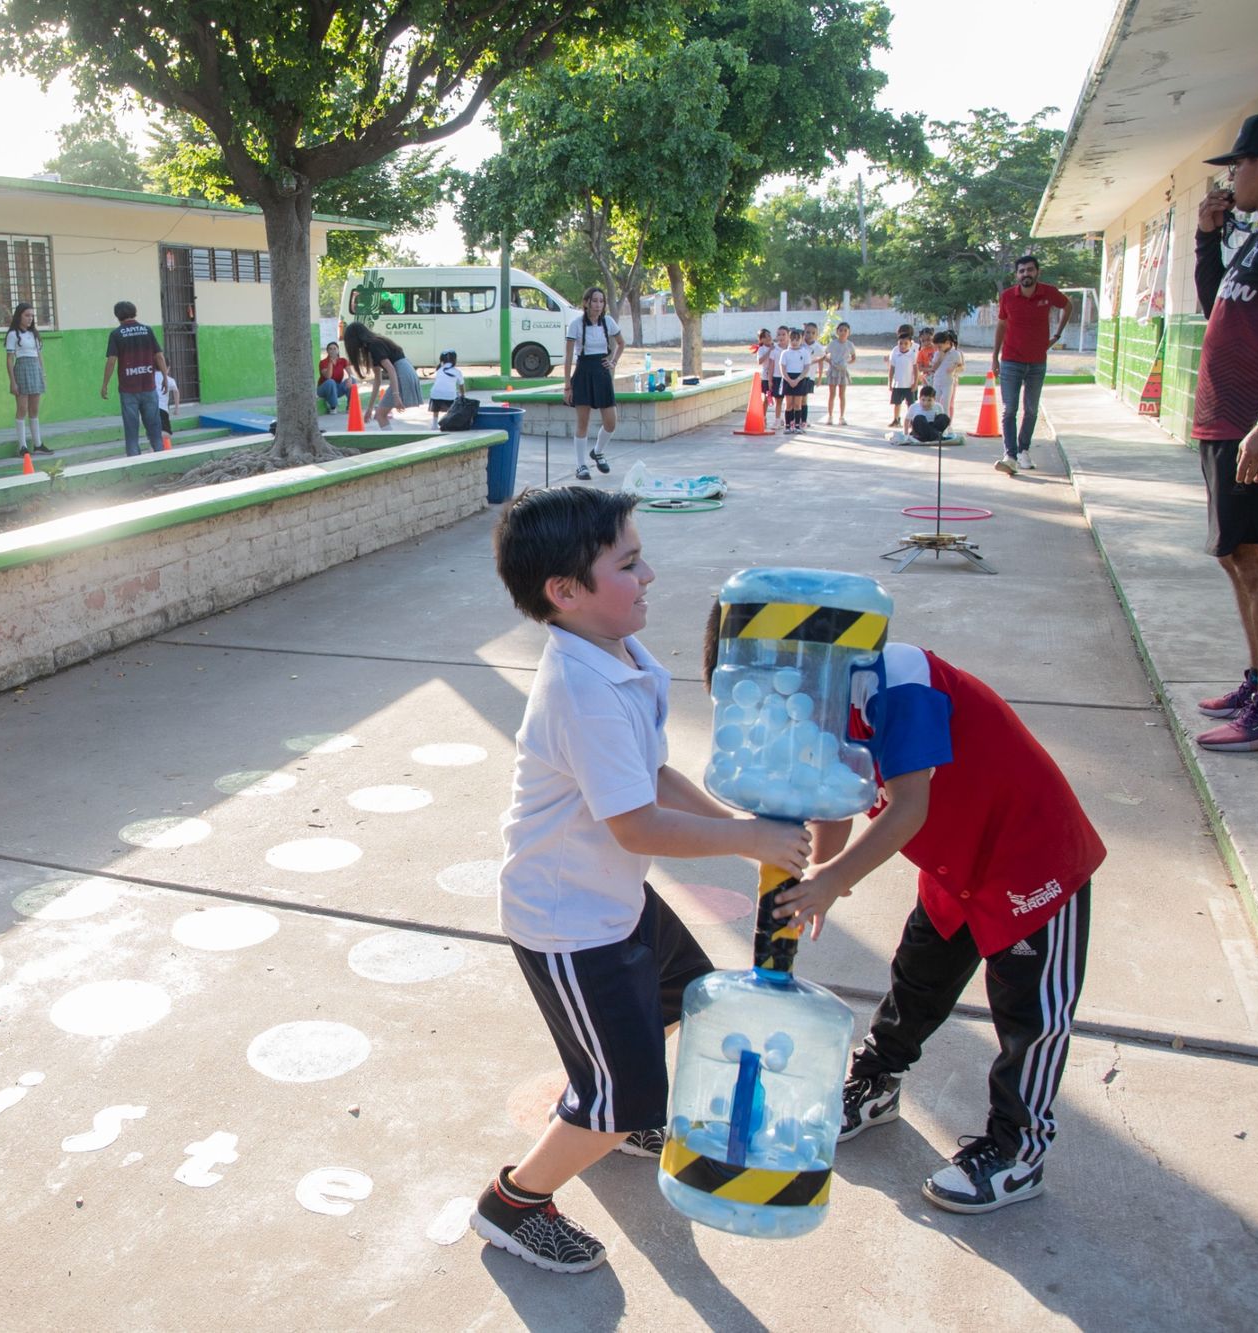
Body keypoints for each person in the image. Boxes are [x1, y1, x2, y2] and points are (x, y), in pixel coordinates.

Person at [472, 487, 812, 1274]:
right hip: (569, 923)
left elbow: (651, 776)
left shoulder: (619, 656)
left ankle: (616, 1106)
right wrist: (748, 836)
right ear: (564, 592)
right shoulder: (582, 691)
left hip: (614, 899)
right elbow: (637, 825)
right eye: (628, 563)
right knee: (623, 1096)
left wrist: (740, 834)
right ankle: (514, 1203)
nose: (650, 573)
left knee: (682, 988)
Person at [718, 619, 1103, 1215]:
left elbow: (908, 808)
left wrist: (835, 879)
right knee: (917, 979)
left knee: (1030, 1015)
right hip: (955, 868)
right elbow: (838, 797)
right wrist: (818, 877)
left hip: (1030, 861)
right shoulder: (813, 699)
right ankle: (878, 1083)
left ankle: (1018, 1153)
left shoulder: (899, 681)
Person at [1188, 108, 1258, 752]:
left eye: (1238, 162)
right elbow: (1219, 310)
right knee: (1237, 556)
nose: (1231, 175)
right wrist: (1208, 238)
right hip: (1228, 422)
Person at [991, 255, 1071, 475]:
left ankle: (1024, 450)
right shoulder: (1007, 296)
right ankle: (1010, 455)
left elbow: (1067, 306)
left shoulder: (1048, 292)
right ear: (1016, 275)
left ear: (1037, 272)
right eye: (1022, 271)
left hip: (1037, 362)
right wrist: (994, 356)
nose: (1026, 274)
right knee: (1009, 409)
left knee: (1032, 409)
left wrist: (1056, 335)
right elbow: (1001, 325)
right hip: (1010, 361)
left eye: (1030, 270)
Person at [563, 286, 622, 478]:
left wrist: (613, 361)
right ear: (586, 302)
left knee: (611, 422)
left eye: (601, 301)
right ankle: (581, 465)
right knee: (583, 422)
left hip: (602, 373)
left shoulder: (608, 322)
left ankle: (597, 451)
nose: (598, 305)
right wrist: (567, 385)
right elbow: (569, 355)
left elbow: (621, 342)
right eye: (594, 300)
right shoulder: (576, 324)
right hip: (583, 372)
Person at [101, 300, 168, 455]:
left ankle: (133, 463)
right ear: (135, 312)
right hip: (149, 387)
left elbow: (111, 361)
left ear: (117, 315)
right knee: (154, 429)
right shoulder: (147, 330)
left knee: (131, 431)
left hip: (128, 389)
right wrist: (164, 376)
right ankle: (161, 458)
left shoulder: (116, 334)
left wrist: (105, 384)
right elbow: (159, 356)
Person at [343, 321, 421, 430]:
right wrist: (370, 408)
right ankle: (393, 440)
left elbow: (391, 369)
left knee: (380, 415)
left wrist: (396, 395)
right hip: (406, 370)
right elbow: (377, 380)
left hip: (402, 372)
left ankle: (393, 443)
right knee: (380, 414)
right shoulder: (371, 347)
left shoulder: (375, 345)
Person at [5, 302, 49, 457]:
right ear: (19, 316)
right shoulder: (13, 335)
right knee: (22, 409)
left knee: (35, 409)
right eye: (27, 315)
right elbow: (10, 359)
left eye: (32, 315)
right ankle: (22, 446)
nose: (30, 318)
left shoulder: (34, 334)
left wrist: (42, 374)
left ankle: (38, 444)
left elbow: (39, 356)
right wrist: (12, 381)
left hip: (35, 370)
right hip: (22, 370)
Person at [823, 322, 857, 425]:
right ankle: (830, 416)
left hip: (843, 372)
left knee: (842, 395)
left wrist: (846, 363)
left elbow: (854, 357)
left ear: (849, 332)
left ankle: (842, 417)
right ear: (837, 331)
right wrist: (830, 362)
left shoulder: (850, 344)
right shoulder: (832, 343)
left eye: (845, 330)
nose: (843, 332)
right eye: (840, 330)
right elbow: (825, 355)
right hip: (833, 371)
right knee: (832, 394)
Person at [778, 327, 811, 433]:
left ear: (801, 339)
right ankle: (787, 426)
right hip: (788, 379)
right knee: (789, 404)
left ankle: (797, 426)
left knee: (797, 404)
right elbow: (782, 368)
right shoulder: (785, 353)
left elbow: (806, 368)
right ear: (789, 339)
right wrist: (788, 379)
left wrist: (798, 379)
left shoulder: (805, 352)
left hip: (800, 379)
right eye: (792, 339)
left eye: (797, 339)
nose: (794, 342)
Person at [887, 326, 920, 429]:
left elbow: (916, 370)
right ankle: (896, 419)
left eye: (906, 343)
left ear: (910, 343)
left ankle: (911, 421)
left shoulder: (913, 354)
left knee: (910, 404)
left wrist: (915, 383)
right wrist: (890, 382)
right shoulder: (895, 353)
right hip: (897, 384)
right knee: (897, 403)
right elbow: (891, 369)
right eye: (901, 343)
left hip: (909, 384)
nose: (903, 345)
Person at [930, 329, 966, 417]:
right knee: (935, 403)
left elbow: (961, 367)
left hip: (948, 382)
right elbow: (933, 368)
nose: (938, 349)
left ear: (947, 343)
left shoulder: (956, 353)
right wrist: (939, 359)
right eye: (937, 347)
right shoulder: (937, 353)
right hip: (937, 381)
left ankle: (946, 425)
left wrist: (954, 368)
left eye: (940, 346)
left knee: (946, 404)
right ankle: (934, 422)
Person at [428, 349, 466, 427]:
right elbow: (461, 385)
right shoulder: (457, 371)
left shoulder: (439, 370)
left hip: (435, 394)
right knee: (452, 408)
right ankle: (448, 423)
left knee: (436, 409)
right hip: (450, 395)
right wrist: (462, 395)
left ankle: (434, 425)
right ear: (455, 360)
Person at [317, 340, 356, 414]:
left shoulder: (343, 361)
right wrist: (330, 364)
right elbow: (328, 377)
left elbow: (351, 374)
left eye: (334, 348)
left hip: (336, 388)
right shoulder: (323, 362)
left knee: (353, 380)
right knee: (331, 382)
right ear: (327, 351)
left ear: (338, 350)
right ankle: (333, 407)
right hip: (323, 389)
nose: (332, 350)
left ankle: (350, 406)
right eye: (330, 349)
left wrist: (350, 378)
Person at [800, 322, 824, 428]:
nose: (810, 335)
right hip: (797, 375)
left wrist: (819, 378)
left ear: (816, 334)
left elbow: (821, 361)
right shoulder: (799, 344)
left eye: (813, 333)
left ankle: (803, 419)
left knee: (804, 398)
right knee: (795, 398)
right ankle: (794, 418)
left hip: (809, 376)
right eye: (807, 332)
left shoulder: (818, 347)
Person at [753, 329, 778, 415]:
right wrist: (769, 350)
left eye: (769, 335)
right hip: (766, 376)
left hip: (776, 374)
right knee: (767, 397)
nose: (769, 338)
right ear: (761, 339)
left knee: (778, 398)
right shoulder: (761, 349)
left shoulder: (776, 346)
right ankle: (763, 416)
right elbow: (759, 361)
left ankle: (778, 417)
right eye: (766, 336)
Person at [154, 364, 181, 441]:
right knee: (166, 433)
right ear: (168, 368)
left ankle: (153, 450)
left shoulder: (151, 378)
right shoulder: (169, 380)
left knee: (155, 432)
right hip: (162, 409)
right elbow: (176, 392)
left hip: (150, 408)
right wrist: (176, 409)